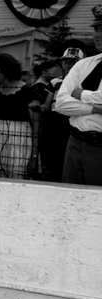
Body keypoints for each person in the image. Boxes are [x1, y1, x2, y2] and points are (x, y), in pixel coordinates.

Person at [54, 18, 102, 185]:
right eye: (96, 29)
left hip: (99, 146)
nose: (98, 35)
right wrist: (94, 110)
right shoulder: (82, 65)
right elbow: (60, 103)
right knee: (70, 196)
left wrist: (80, 94)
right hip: (75, 143)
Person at [0, 52, 39, 179]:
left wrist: (34, 156)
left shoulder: (28, 92)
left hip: (19, 144)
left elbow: (36, 126)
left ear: (6, 72)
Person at [36, 47, 82, 181]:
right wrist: (36, 107)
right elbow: (46, 105)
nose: (69, 64)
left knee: (66, 159)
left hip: (71, 124)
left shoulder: (83, 84)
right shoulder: (55, 82)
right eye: (66, 61)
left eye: (74, 61)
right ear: (61, 63)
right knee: (51, 158)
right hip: (53, 123)